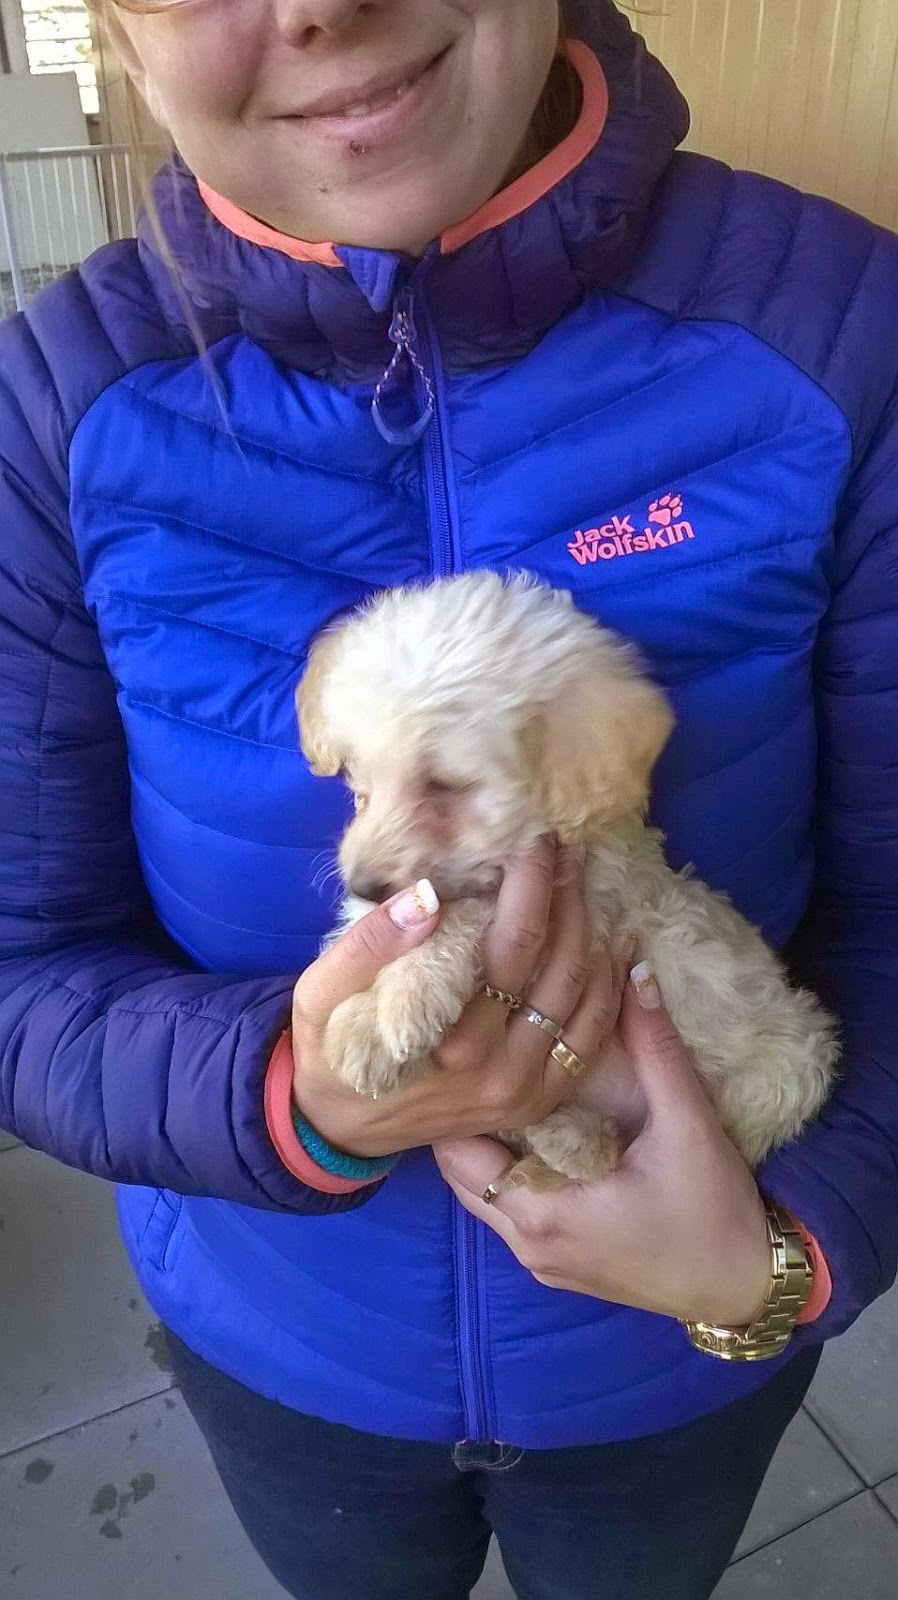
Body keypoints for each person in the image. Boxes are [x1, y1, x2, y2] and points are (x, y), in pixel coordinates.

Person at [0, 1, 895, 1595]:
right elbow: (17, 965)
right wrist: (286, 1098)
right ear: (115, 35)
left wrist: (779, 1255)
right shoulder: (48, 411)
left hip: (671, 1377)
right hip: (286, 1352)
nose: (314, 6)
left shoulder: (848, 336)